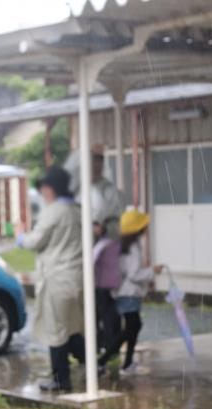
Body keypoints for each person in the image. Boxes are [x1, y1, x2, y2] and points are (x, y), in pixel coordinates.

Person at [16, 166, 85, 393]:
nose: (42, 193)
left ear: (50, 189)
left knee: (56, 330)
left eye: (44, 188)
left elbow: (35, 242)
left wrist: (20, 237)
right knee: (73, 326)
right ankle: (93, 364)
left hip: (57, 277)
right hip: (77, 277)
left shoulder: (54, 211)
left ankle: (60, 379)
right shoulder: (77, 210)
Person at [111, 209, 163, 375]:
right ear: (138, 228)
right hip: (129, 293)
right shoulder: (133, 247)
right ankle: (105, 360)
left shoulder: (124, 245)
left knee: (132, 327)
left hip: (123, 292)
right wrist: (152, 271)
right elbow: (134, 274)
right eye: (144, 225)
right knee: (132, 327)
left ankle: (126, 363)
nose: (146, 227)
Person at [93, 220, 122, 373]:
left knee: (103, 319)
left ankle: (105, 348)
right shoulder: (118, 245)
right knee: (112, 319)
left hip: (101, 287)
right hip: (113, 288)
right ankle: (112, 349)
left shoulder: (102, 245)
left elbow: (91, 262)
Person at [89, 143, 125, 239]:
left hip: (105, 242)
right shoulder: (79, 191)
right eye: (93, 160)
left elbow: (121, 223)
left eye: (99, 160)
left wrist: (104, 229)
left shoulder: (112, 192)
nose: (96, 165)